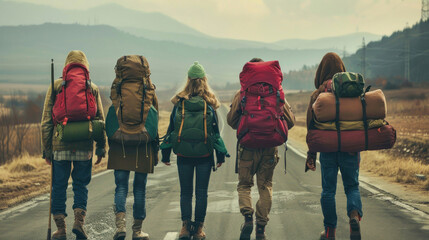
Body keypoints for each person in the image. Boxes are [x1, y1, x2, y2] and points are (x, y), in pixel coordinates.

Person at [227, 58, 295, 240]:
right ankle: (261, 229)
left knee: (244, 185)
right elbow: (290, 122)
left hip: (247, 146)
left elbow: (231, 121)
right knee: (265, 186)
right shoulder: (276, 93)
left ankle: (248, 217)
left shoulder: (242, 94)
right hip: (269, 147)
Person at [41, 50, 106, 240]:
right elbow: (99, 121)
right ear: (85, 66)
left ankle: (61, 229)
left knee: (59, 187)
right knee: (81, 186)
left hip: (59, 146)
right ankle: (79, 223)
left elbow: (46, 121)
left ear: (67, 65)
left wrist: (46, 150)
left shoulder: (56, 86)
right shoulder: (91, 87)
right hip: (84, 147)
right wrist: (102, 148)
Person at [161, 61, 229, 240]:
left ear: (188, 80)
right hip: (204, 156)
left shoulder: (179, 103)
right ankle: (198, 229)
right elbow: (215, 134)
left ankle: (185, 227)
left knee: (185, 192)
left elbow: (171, 131)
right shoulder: (209, 103)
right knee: (201, 193)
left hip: (183, 155)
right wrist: (220, 155)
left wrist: (166, 154)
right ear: (204, 80)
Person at [305, 52, 362, 240]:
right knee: (352, 186)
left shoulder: (318, 95)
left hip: (328, 150)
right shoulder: (352, 92)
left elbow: (312, 129)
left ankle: (330, 231)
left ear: (321, 72)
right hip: (351, 149)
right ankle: (354, 216)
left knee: (328, 191)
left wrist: (311, 155)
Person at [106, 55, 159, 240]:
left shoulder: (117, 87)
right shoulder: (148, 89)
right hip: (142, 145)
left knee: (120, 187)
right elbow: (154, 120)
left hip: (119, 143)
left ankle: (120, 227)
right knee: (139, 189)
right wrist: (156, 149)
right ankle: (137, 231)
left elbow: (111, 117)